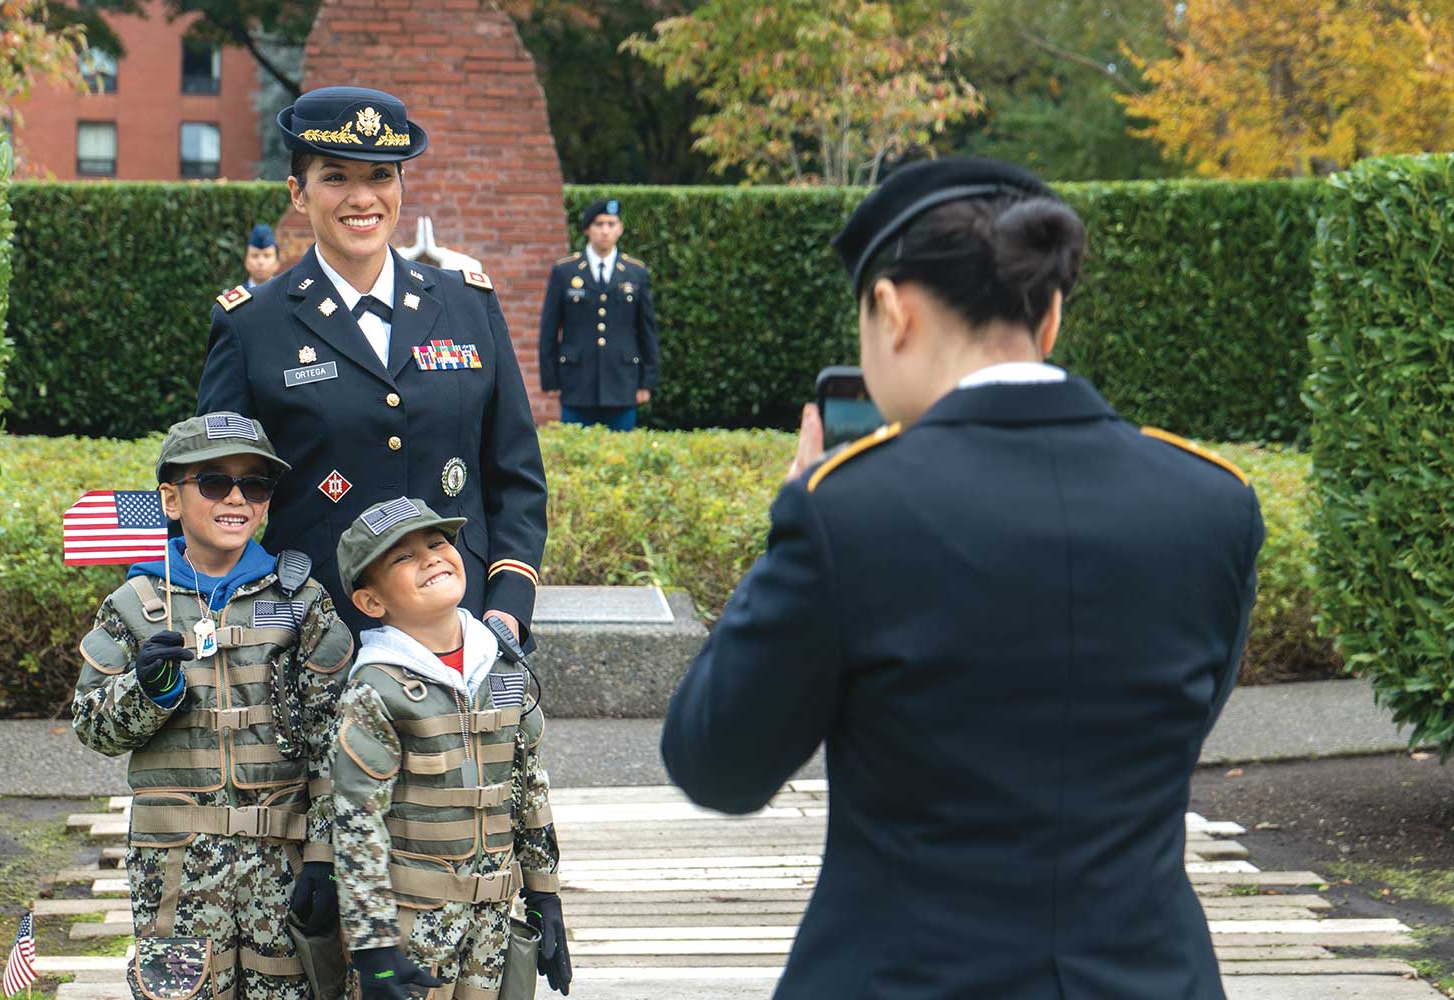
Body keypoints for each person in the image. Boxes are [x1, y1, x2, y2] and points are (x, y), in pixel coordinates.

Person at [661, 157, 1264, 999]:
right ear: (1051, 316)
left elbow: (716, 765)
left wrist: (791, 530)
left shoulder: (848, 510)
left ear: (891, 309)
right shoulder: (1214, 501)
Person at [196, 86, 547, 645]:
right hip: (316, 630)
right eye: (336, 177)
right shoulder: (253, 324)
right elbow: (213, 489)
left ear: (402, 187)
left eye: (380, 176)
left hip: (465, 624)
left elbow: (516, 475)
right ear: (298, 193)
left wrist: (507, 608)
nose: (362, 199)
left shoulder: (467, 305)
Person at [71, 412, 355, 999]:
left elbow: (335, 742)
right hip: (175, 868)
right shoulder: (134, 605)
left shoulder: (301, 601)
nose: (237, 498)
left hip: (283, 862)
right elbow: (91, 726)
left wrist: (323, 856)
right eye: (215, 482)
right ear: (171, 499)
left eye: (255, 484)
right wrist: (149, 691)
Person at [326, 497, 570, 1000]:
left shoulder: (503, 667)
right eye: (403, 556)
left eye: (437, 542)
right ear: (371, 602)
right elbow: (357, 823)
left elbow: (529, 789)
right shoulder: (375, 689)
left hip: (494, 927)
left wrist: (545, 896)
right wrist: (374, 949)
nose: (431, 558)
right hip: (411, 929)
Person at [537, 197, 660, 430]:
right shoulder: (565, 271)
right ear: (587, 229)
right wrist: (550, 379)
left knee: (621, 450)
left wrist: (647, 382)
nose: (605, 231)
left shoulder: (635, 272)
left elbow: (647, 331)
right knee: (575, 449)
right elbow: (549, 329)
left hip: (622, 381)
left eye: (611, 224)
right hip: (577, 383)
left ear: (620, 229)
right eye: (599, 224)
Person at [242, 223, 281, 290]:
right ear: (246, 261)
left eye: (267, 256)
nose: (261, 262)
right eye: (255, 256)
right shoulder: (235, 296)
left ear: (277, 262)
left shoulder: (286, 294)